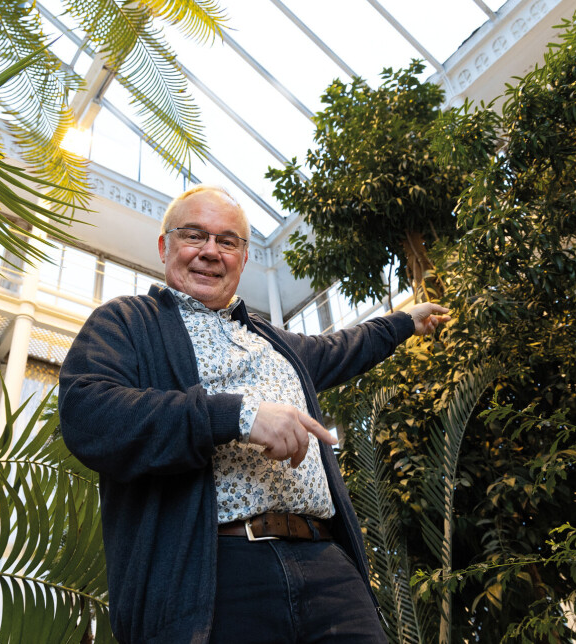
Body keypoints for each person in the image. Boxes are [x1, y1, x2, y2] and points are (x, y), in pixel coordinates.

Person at [58, 185, 449, 644]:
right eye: (193, 235)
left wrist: (405, 322)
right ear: (165, 246)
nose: (209, 252)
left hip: (327, 566)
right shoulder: (127, 322)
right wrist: (239, 416)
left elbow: (343, 346)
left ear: (243, 259)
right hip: (211, 577)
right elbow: (89, 413)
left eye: (227, 241)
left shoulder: (276, 341)